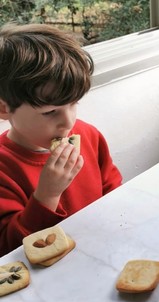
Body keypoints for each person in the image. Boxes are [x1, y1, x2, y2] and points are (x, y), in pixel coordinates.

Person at [0, 23, 123, 256]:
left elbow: (112, 189)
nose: (68, 122)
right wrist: (47, 195)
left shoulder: (88, 135)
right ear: (4, 108)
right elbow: (8, 249)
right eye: (50, 112)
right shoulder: (4, 169)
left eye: (74, 104)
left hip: (100, 252)